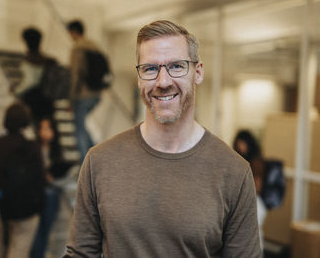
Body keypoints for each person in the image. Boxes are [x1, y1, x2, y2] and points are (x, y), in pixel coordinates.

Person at [64, 20, 261, 258]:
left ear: (197, 72)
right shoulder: (99, 161)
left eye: (177, 66)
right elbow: (80, 254)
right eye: (150, 69)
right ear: (139, 77)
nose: (163, 81)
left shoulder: (234, 172)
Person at [0, 102, 45, 258]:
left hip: (0, 203)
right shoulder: (32, 147)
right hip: (26, 208)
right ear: (26, 122)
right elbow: (40, 179)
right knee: (18, 250)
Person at [30, 117, 70, 258]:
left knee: (52, 195)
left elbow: (62, 177)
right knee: (38, 229)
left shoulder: (57, 151)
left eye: (48, 128)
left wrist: (52, 178)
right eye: (42, 128)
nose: (45, 132)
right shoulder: (34, 149)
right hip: (37, 191)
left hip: (52, 190)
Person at [67, 20, 101, 163]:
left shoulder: (78, 49)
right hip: (96, 94)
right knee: (82, 127)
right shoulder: (94, 47)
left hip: (82, 95)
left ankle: (85, 164)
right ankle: (96, 155)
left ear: (74, 32)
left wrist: (71, 97)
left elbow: (75, 75)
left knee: (79, 130)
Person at [233, 129, 267, 250]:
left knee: (252, 234)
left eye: (243, 143)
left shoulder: (256, 162)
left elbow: (257, 186)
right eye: (239, 143)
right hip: (240, 198)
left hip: (253, 200)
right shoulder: (236, 159)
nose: (241, 146)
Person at [13, 27, 54, 125]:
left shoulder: (29, 60)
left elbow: (29, 81)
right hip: (47, 100)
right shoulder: (47, 60)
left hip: (33, 100)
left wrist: (16, 90)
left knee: (35, 127)